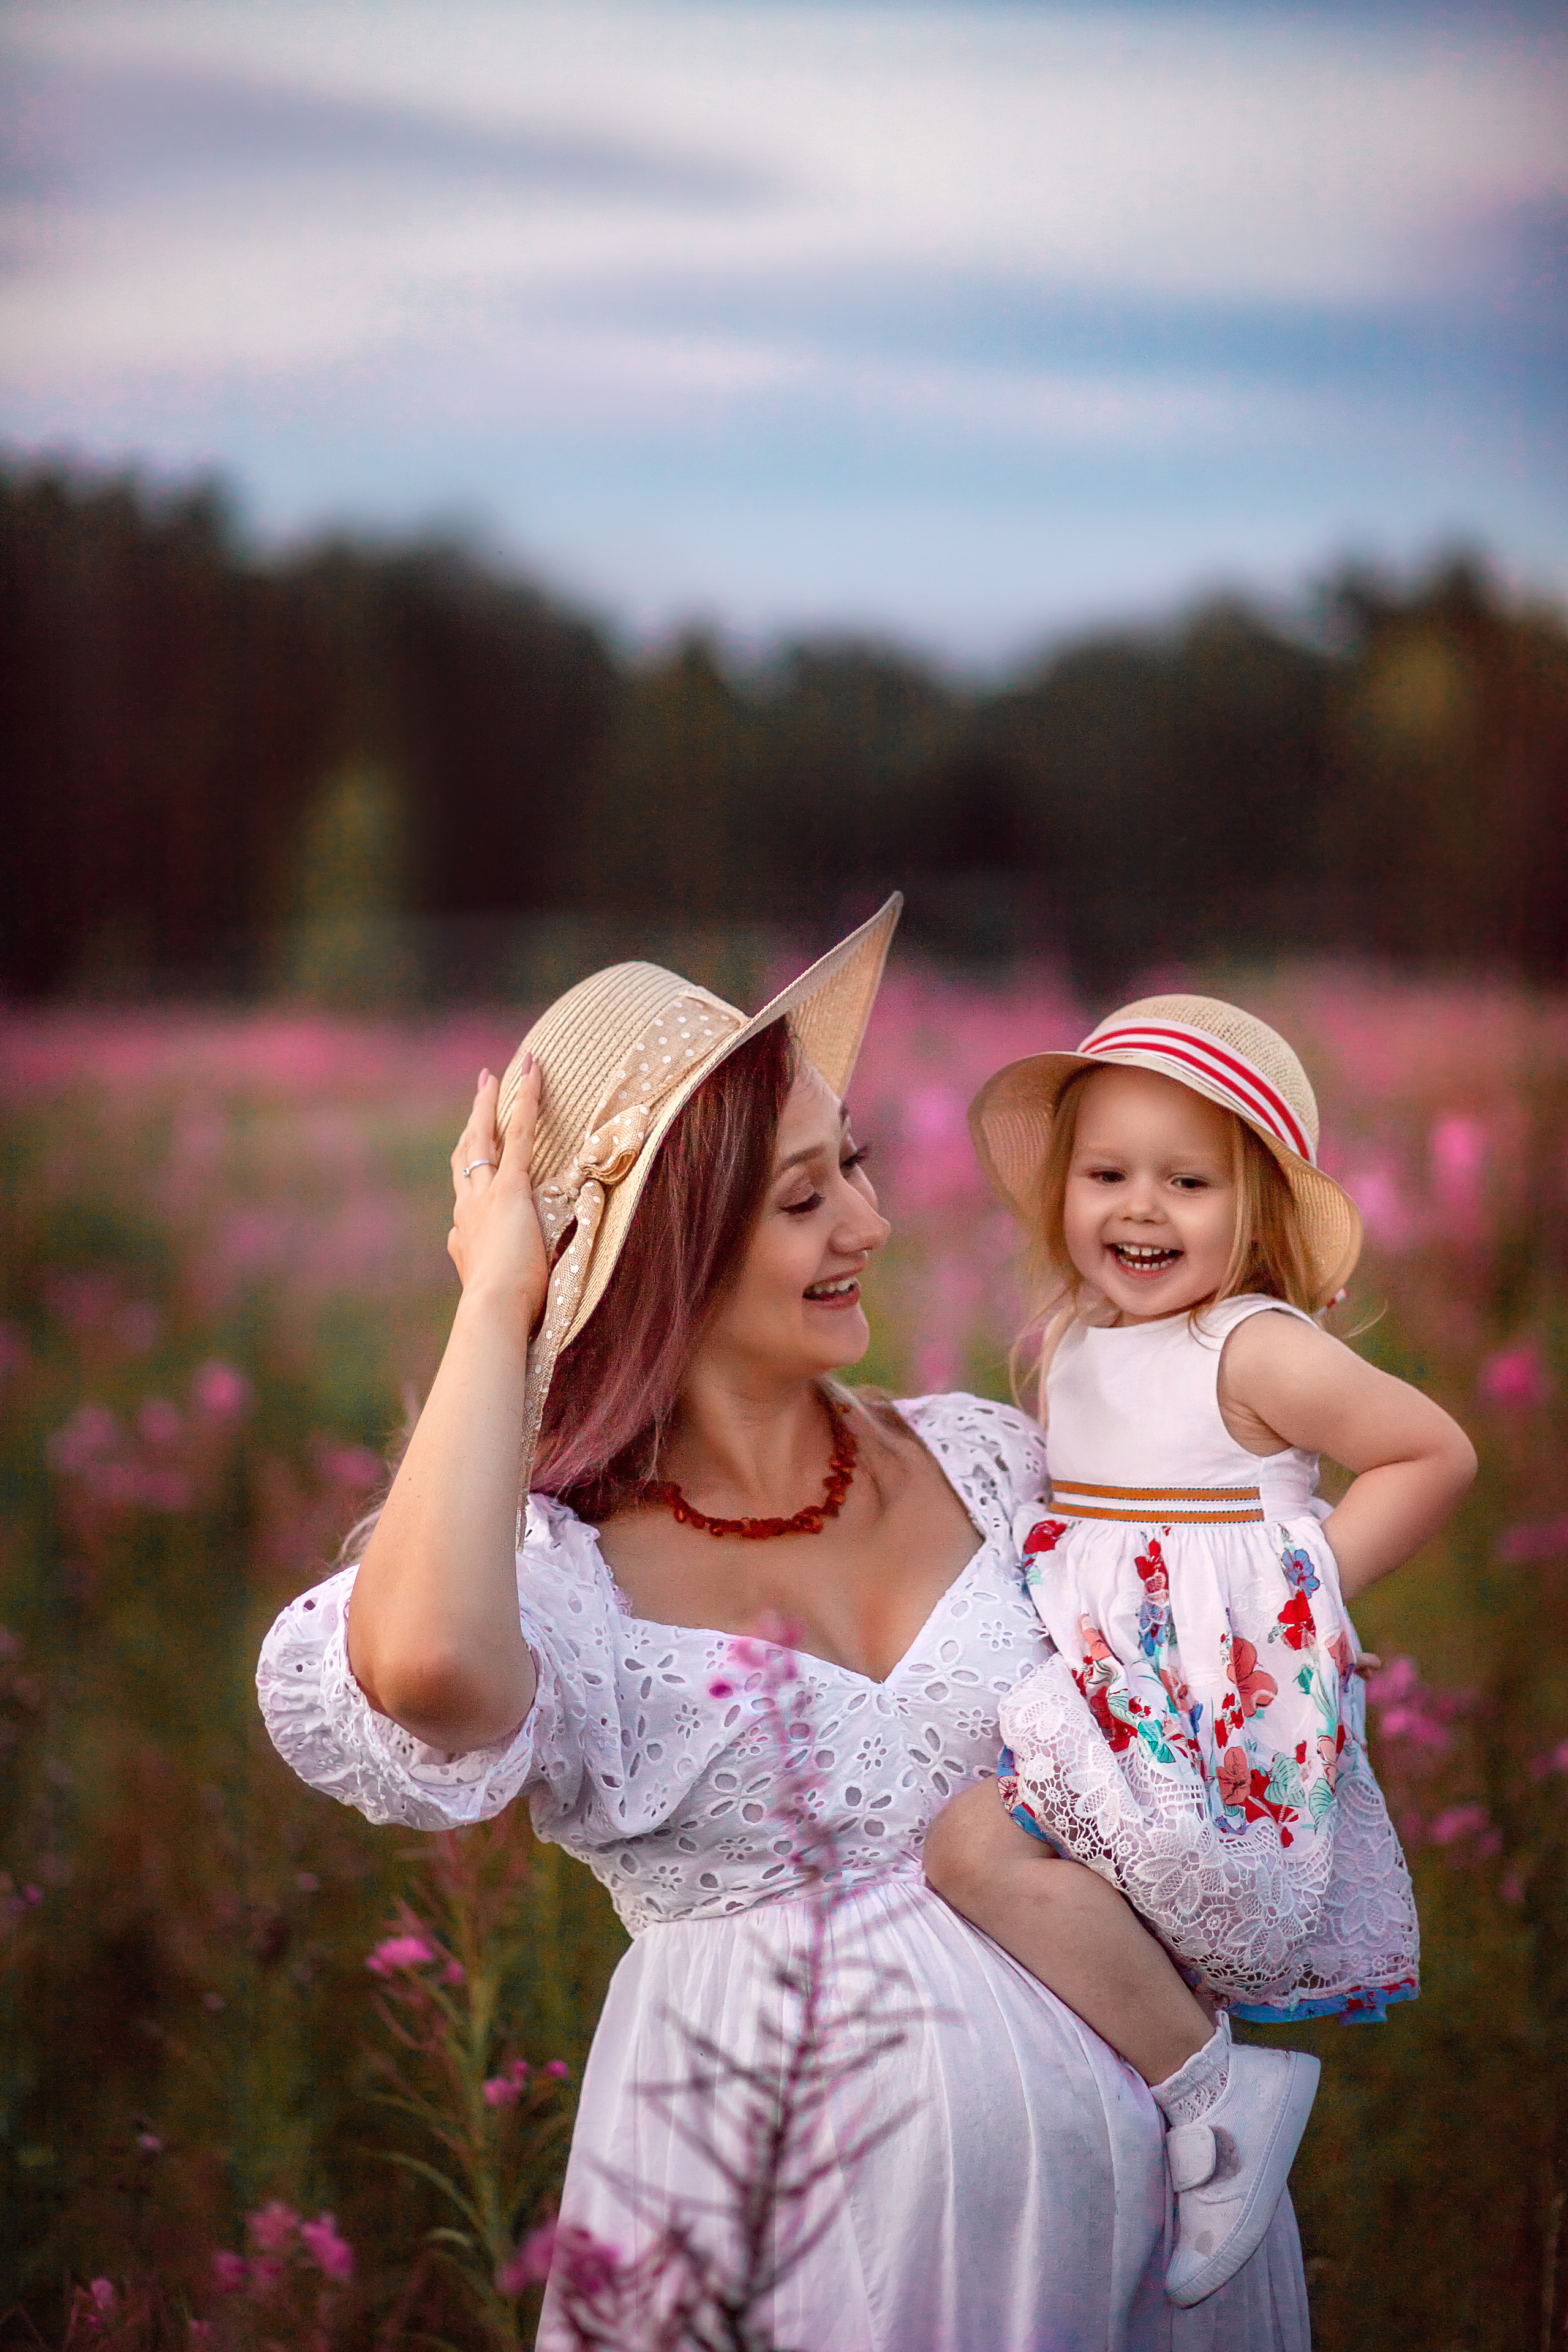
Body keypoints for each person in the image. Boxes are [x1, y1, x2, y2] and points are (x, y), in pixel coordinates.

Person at [258, 914, 1312, 2350]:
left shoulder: (990, 1465)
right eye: (800, 1200)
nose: (868, 1226)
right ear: (673, 1254)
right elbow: (429, 1671)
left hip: (1160, 2261)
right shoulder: (562, 1581)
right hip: (793, 2269)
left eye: (855, 1165)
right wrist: (502, 1294)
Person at [923, 994, 1476, 2308]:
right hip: (1106, 1688)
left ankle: (1220, 2094)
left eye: (1186, 1181)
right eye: (1105, 1175)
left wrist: (1297, 1605)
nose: (1138, 1210)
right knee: (1037, 1901)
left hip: (1203, 1701)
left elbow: (1429, 1451)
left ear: (1256, 1212)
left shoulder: (1250, 1344)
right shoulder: (1069, 1347)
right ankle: (1150, 2122)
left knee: (971, 1846)